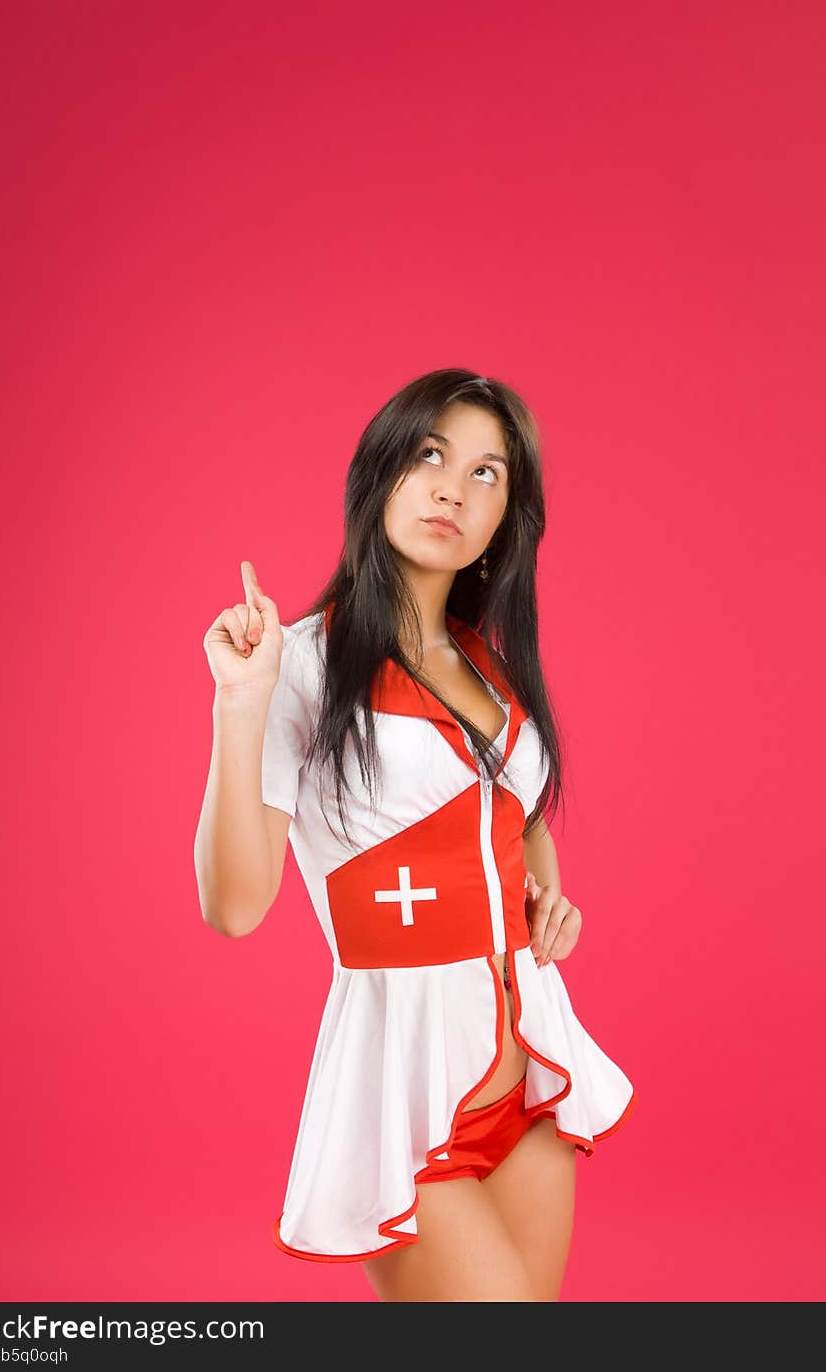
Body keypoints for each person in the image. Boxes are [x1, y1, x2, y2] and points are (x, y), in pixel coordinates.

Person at [194, 367, 637, 1302]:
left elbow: (517, 812)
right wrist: (242, 704)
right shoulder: (301, 664)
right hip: (402, 1092)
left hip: (526, 1079)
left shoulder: (488, 660)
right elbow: (235, 905)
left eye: (488, 473)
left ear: (506, 519)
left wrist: (547, 897)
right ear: (380, 471)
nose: (453, 487)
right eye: (432, 454)